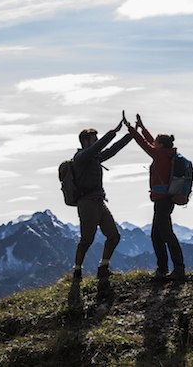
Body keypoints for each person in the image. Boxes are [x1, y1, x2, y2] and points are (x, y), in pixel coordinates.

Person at [123, 111, 185, 281]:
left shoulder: (159, 155)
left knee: (166, 234)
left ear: (161, 145)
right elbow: (150, 141)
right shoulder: (166, 154)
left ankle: (177, 269)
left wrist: (131, 129)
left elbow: (144, 144)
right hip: (165, 200)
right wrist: (142, 127)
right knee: (157, 235)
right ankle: (163, 269)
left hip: (162, 201)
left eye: (157, 142)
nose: (154, 143)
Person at [72, 118, 132, 280]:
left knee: (114, 236)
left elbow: (113, 150)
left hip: (98, 202)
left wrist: (131, 134)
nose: (97, 142)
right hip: (87, 203)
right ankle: (77, 271)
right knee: (87, 239)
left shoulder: (94, 158)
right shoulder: (80, 158)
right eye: (94, 140)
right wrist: (114, 131)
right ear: (85, 141)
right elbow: (101, 147)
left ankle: (103, 267)